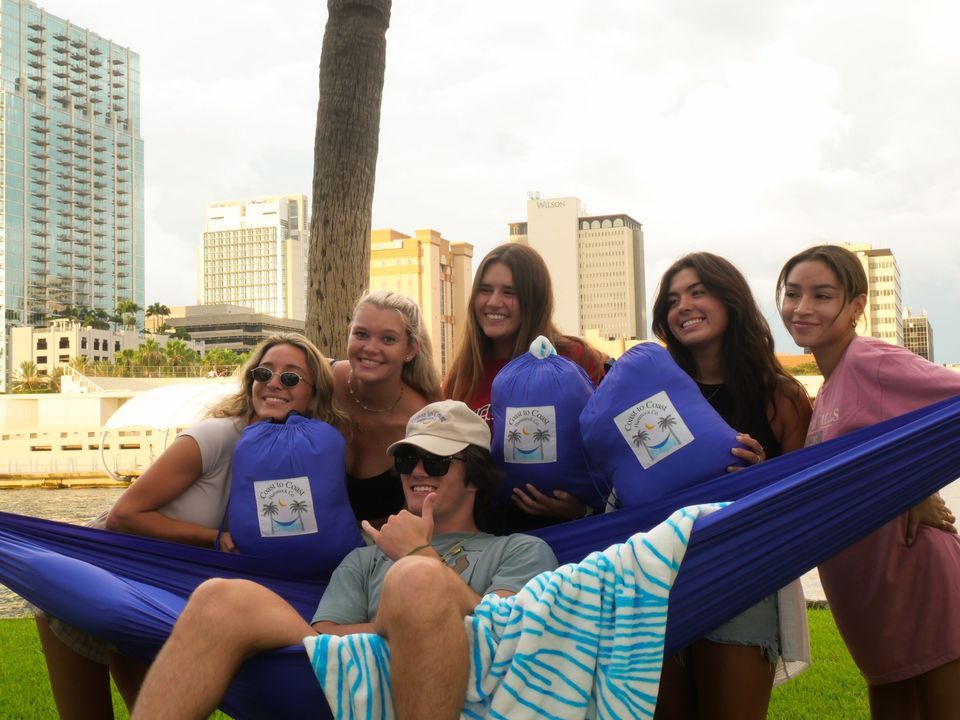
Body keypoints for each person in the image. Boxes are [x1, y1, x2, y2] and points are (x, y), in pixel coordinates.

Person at [130, 400, 557, 720]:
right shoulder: (365, 557)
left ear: (476, 475)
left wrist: (419, 558)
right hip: (341, 678)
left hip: (458, 684)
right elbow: (326, 634)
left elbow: (505, 630)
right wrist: (403, 624)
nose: (418, 471)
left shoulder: (519, 550)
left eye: (438, 460)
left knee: (415, 579)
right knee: (218, 597)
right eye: (408, 459)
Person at [37, 332, 343, 720]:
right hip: (107, 569)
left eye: (291, 377)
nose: (273, 383)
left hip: (165, 588)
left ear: (314, 395)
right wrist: (214, 539)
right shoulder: (215, 437)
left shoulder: (307, 455)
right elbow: (124, 515)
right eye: (264, 373)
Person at [778, 244, 960, 720]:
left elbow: (952, 406)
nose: (802, 308)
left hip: (915, 574)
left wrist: (919, 485)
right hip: (869, 593)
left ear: (856, 306)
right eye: (792, 293)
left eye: (821, 295)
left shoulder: (870, 359)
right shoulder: (829, 384)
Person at [649, 252, 812, 720]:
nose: (684, 306)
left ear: (730, 299)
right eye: (673, 298)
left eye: (698, 292)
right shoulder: (652, 396)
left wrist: (763, 478)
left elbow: (803, 504)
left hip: (744, 581)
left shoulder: (779, 396)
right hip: (661, 581)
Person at [443, 242, 607, 525]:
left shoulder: (574, 358)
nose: (494, 302)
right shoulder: (462, 376)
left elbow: (612, 448)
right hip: (487, 535)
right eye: (485, 289)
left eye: (510, 292)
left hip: (569, 533)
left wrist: (582, 509)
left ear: (534, 300)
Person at [332, 290, 441, 526]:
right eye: (361, 334)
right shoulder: (322, 382)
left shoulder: (423, 424)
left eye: (388, 339)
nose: (371, 348)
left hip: (381, 551)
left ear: (411, 349)